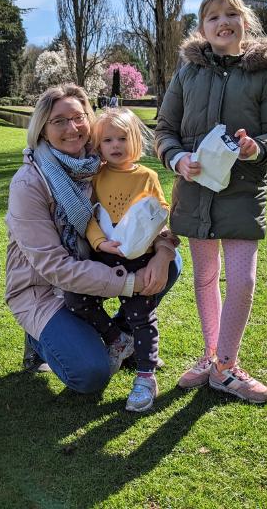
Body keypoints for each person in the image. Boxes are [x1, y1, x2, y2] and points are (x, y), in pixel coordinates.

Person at [155, 0, 267, 404]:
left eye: (231, 14)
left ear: (245, 23)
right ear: (202, 28)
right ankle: (209, 355)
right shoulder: (187, 73)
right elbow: (165, 128)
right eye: (213, 16)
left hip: (243, 193)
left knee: (243, 281)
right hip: (195, 192)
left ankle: (226, 366)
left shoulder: (266, 75)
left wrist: (258, 147)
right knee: (203, 277)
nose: (223, 22)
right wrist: (177, 159)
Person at [5, 84, 179, 395]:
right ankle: (38, 339)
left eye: (78, 117)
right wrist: (132, 283)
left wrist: (164, 253)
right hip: (46, 290)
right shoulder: (29, 183)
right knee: (91, 375)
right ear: (43, 129)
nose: (71, 128)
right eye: (59, 121)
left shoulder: (100, 166)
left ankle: (125, 338)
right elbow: (54, 267)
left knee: (170, 264)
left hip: (94, 267)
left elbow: (150, 215)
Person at [63, 107, 179, 412]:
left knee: (141, 315)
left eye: (122, 138)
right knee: (76, 299)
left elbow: (160, 211)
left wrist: (157, 238)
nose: (116, 145)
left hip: (140, 259)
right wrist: (100, 241)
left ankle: (145, 376)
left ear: (136, 140)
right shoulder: (96, 176)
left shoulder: (148, 176)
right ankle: (116, 338)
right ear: (98, 146)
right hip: (104, 258)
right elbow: (87, 216)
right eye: (108, 140)